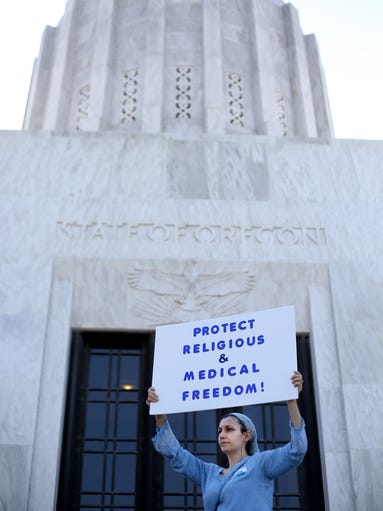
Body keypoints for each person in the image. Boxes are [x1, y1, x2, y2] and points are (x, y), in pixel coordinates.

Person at [146, 371, 307, 511]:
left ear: (246, 436)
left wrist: (291, 400)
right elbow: (175, 453)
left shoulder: (261, 463)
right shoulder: (208, 473)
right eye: (219, 431)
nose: (222, 435)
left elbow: (297, 450)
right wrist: (159, 411)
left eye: (229, 429)